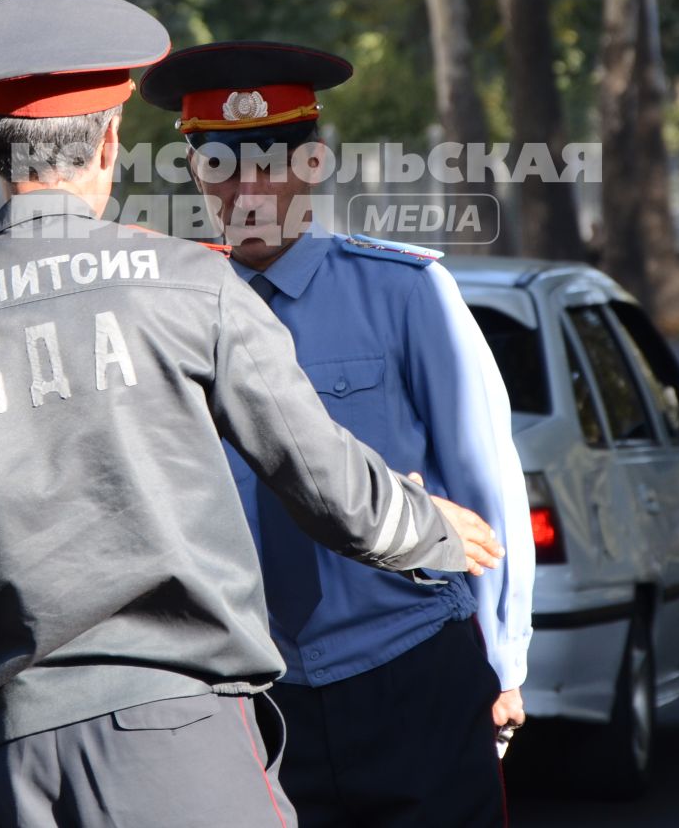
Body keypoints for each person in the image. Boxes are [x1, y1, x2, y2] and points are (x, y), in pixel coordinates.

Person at [0, 0, 505, 828]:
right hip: (189, 746)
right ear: (112, 141)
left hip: (12, 760)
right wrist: (428, 524)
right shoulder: (192, 286)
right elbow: (324, 480)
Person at [138, 41, 535, 828]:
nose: (247, 187)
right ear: (195, 173)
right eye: (218, 160)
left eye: (271, 158)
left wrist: (504, 659)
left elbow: (485, 481)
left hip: (408, 665)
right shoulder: (168, 316)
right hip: (252, 692)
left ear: (314, 161)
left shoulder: (404, 291)